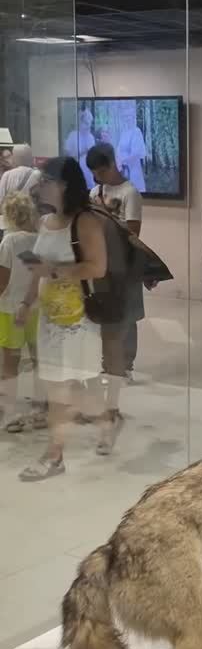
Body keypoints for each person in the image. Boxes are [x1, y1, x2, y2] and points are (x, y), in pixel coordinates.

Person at [16, 157, 105, 481]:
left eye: (45, 181)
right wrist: (27, 303)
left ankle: (58, 452)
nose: (39, 187)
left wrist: (54, 272)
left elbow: (97, 267)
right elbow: (37, 269)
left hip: (77, 321)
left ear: (63, 185)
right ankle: (59, 450)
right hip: (50, 319)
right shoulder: (46, 221)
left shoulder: (85, 222)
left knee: (71, 386)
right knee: (58, 387)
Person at [87, 142, 144, 384]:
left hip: (125, 263)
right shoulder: (94, 193)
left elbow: (133, 232)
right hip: (102, 263)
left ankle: (127, 365)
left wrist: (106, 214)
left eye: (100, 171)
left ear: (112, 164)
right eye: (94, 173)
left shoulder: (130, 192)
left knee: (127, 315)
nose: (97, 177)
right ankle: (107, 363)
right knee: (105, 312)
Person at [0, 192, 43, 432]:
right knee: (39, 361)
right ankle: (40, 410)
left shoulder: (9, 242)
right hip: (36, 308)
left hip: (9, 310)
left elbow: (2, 281)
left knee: (10, 365)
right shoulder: (38, 239)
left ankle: (11, 415)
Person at [0, 145, 41, 236]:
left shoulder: (7, 175)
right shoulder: (38, 175)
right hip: (32, 225)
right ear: (30, 158)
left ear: (15, 158)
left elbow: (1, 200)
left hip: (11, 224)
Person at [64, 103, 95, 189]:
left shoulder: (90, 137)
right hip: (75, 172)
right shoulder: (72, 135)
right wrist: (83, 151)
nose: (87, 126)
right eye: (85, 122)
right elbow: (68, 155)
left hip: (88, 174)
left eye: (89, 123)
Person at [116, 112, 147, 193]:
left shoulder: (136, 131)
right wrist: (119, 162)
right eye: (125, 117)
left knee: (135, 190)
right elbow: (119, 148)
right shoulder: (124, 132)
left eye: (129, 117)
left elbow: (135, 153)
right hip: (123, 169)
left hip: (133, 168)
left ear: (133, 118)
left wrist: (123, 161)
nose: (127, 119)